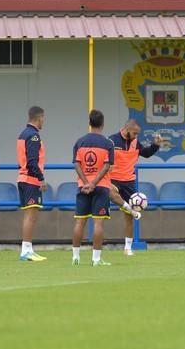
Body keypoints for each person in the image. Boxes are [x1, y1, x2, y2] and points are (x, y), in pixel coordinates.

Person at [108, 119, 161, 256]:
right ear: (126, 129)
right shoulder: (112, 141)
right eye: (135, 133)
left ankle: (127, 248)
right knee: (110, 193)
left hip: (129, 182)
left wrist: (156, 145)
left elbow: (146, 153)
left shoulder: (135, 143)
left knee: (128, 217)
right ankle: (130, 208)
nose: (136, 136)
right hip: (113, 179)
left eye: (138, 134)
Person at [72, 109, 115, 266]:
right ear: (102, 124)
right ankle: (96, 259)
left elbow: (76, 164)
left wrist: (85, 182)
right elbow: (106, 166)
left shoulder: (80, 142)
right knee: (98, 223)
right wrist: (94, 183)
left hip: (82, 187)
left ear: (89, 123)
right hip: (101, 187)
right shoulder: (108, 143)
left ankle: (75, 257)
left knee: (79, 222)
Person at [17, 106, 47, 262]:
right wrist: (41, 178)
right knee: (30, 217)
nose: (44, 122)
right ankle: (26, 250)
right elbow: (32, 161)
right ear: (39, 117)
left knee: (28, 216)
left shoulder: (23, 134)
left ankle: (27, 249)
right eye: (43, 118)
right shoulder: (33, 136)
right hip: (30, 180)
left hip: (23, 178)